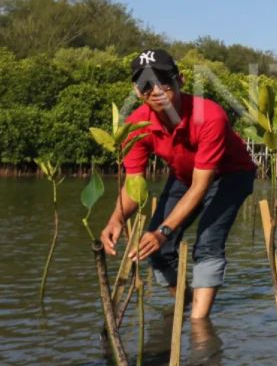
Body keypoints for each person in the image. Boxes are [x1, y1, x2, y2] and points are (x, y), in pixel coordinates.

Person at [99, 49, 256, 320]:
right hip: (184, 176)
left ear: (181, 80)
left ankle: (198, 326)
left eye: (164, 81)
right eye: (146, 85)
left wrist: (163, 230)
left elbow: (201, 186)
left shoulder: (209, 116)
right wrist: (117, 218)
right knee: (158, 250)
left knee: (207, 243)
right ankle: (187, 303)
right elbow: (135, 184)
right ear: (137, 92)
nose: (156, 90)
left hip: (230, 175)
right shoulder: (135, 125)